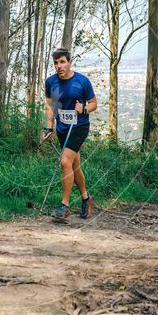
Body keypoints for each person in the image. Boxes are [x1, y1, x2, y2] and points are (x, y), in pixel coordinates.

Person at [42, 48, 97, 220]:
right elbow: (49, 106)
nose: (59, 66)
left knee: (64, 161)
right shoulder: (50, 82)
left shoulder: (82, 81)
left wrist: (84, 109)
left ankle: (64, 206)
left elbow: (94, 104)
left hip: (79, 127)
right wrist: (49, 128)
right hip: (63, 129)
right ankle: (86, 199)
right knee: (74, 166)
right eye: (56, 63)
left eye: (62, 62)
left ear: (69, 62)